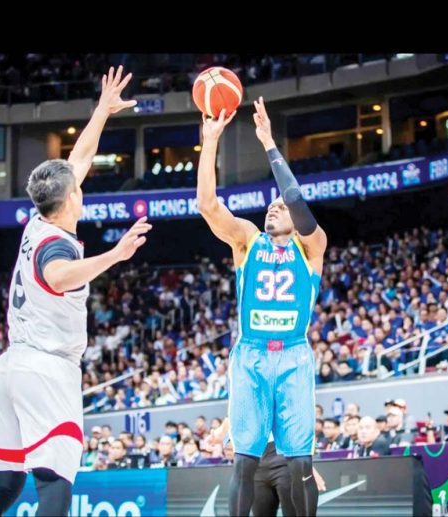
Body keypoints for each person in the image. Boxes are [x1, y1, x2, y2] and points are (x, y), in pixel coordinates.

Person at [0, 66, 149, 517]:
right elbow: (60, 275)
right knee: (54, 484)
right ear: (72, 199)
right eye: (78, 187)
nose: (81, 185)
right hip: (46, 370)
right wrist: (115, 255)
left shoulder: (39, 219)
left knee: (3, 488)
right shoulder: (56, 243)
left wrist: (102, 112)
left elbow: (80, 157)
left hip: (10, 368)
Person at [197, 98, 327, 517]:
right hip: (251, 353)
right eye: (271, 205)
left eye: (281, 206)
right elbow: (208, 207)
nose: (275, 205)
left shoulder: (312, 248)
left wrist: (269, 142)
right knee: (243, 460)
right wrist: (210, 143)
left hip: (293, 353)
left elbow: (294, 196)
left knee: (300, 461)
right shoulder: (247, 241)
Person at [211, 417, 326, 517]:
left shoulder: (283, 397)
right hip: (256, 466)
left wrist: (308, 467)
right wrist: (224, 438)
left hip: (284, 462)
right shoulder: (242, 402)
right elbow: (221, 434)